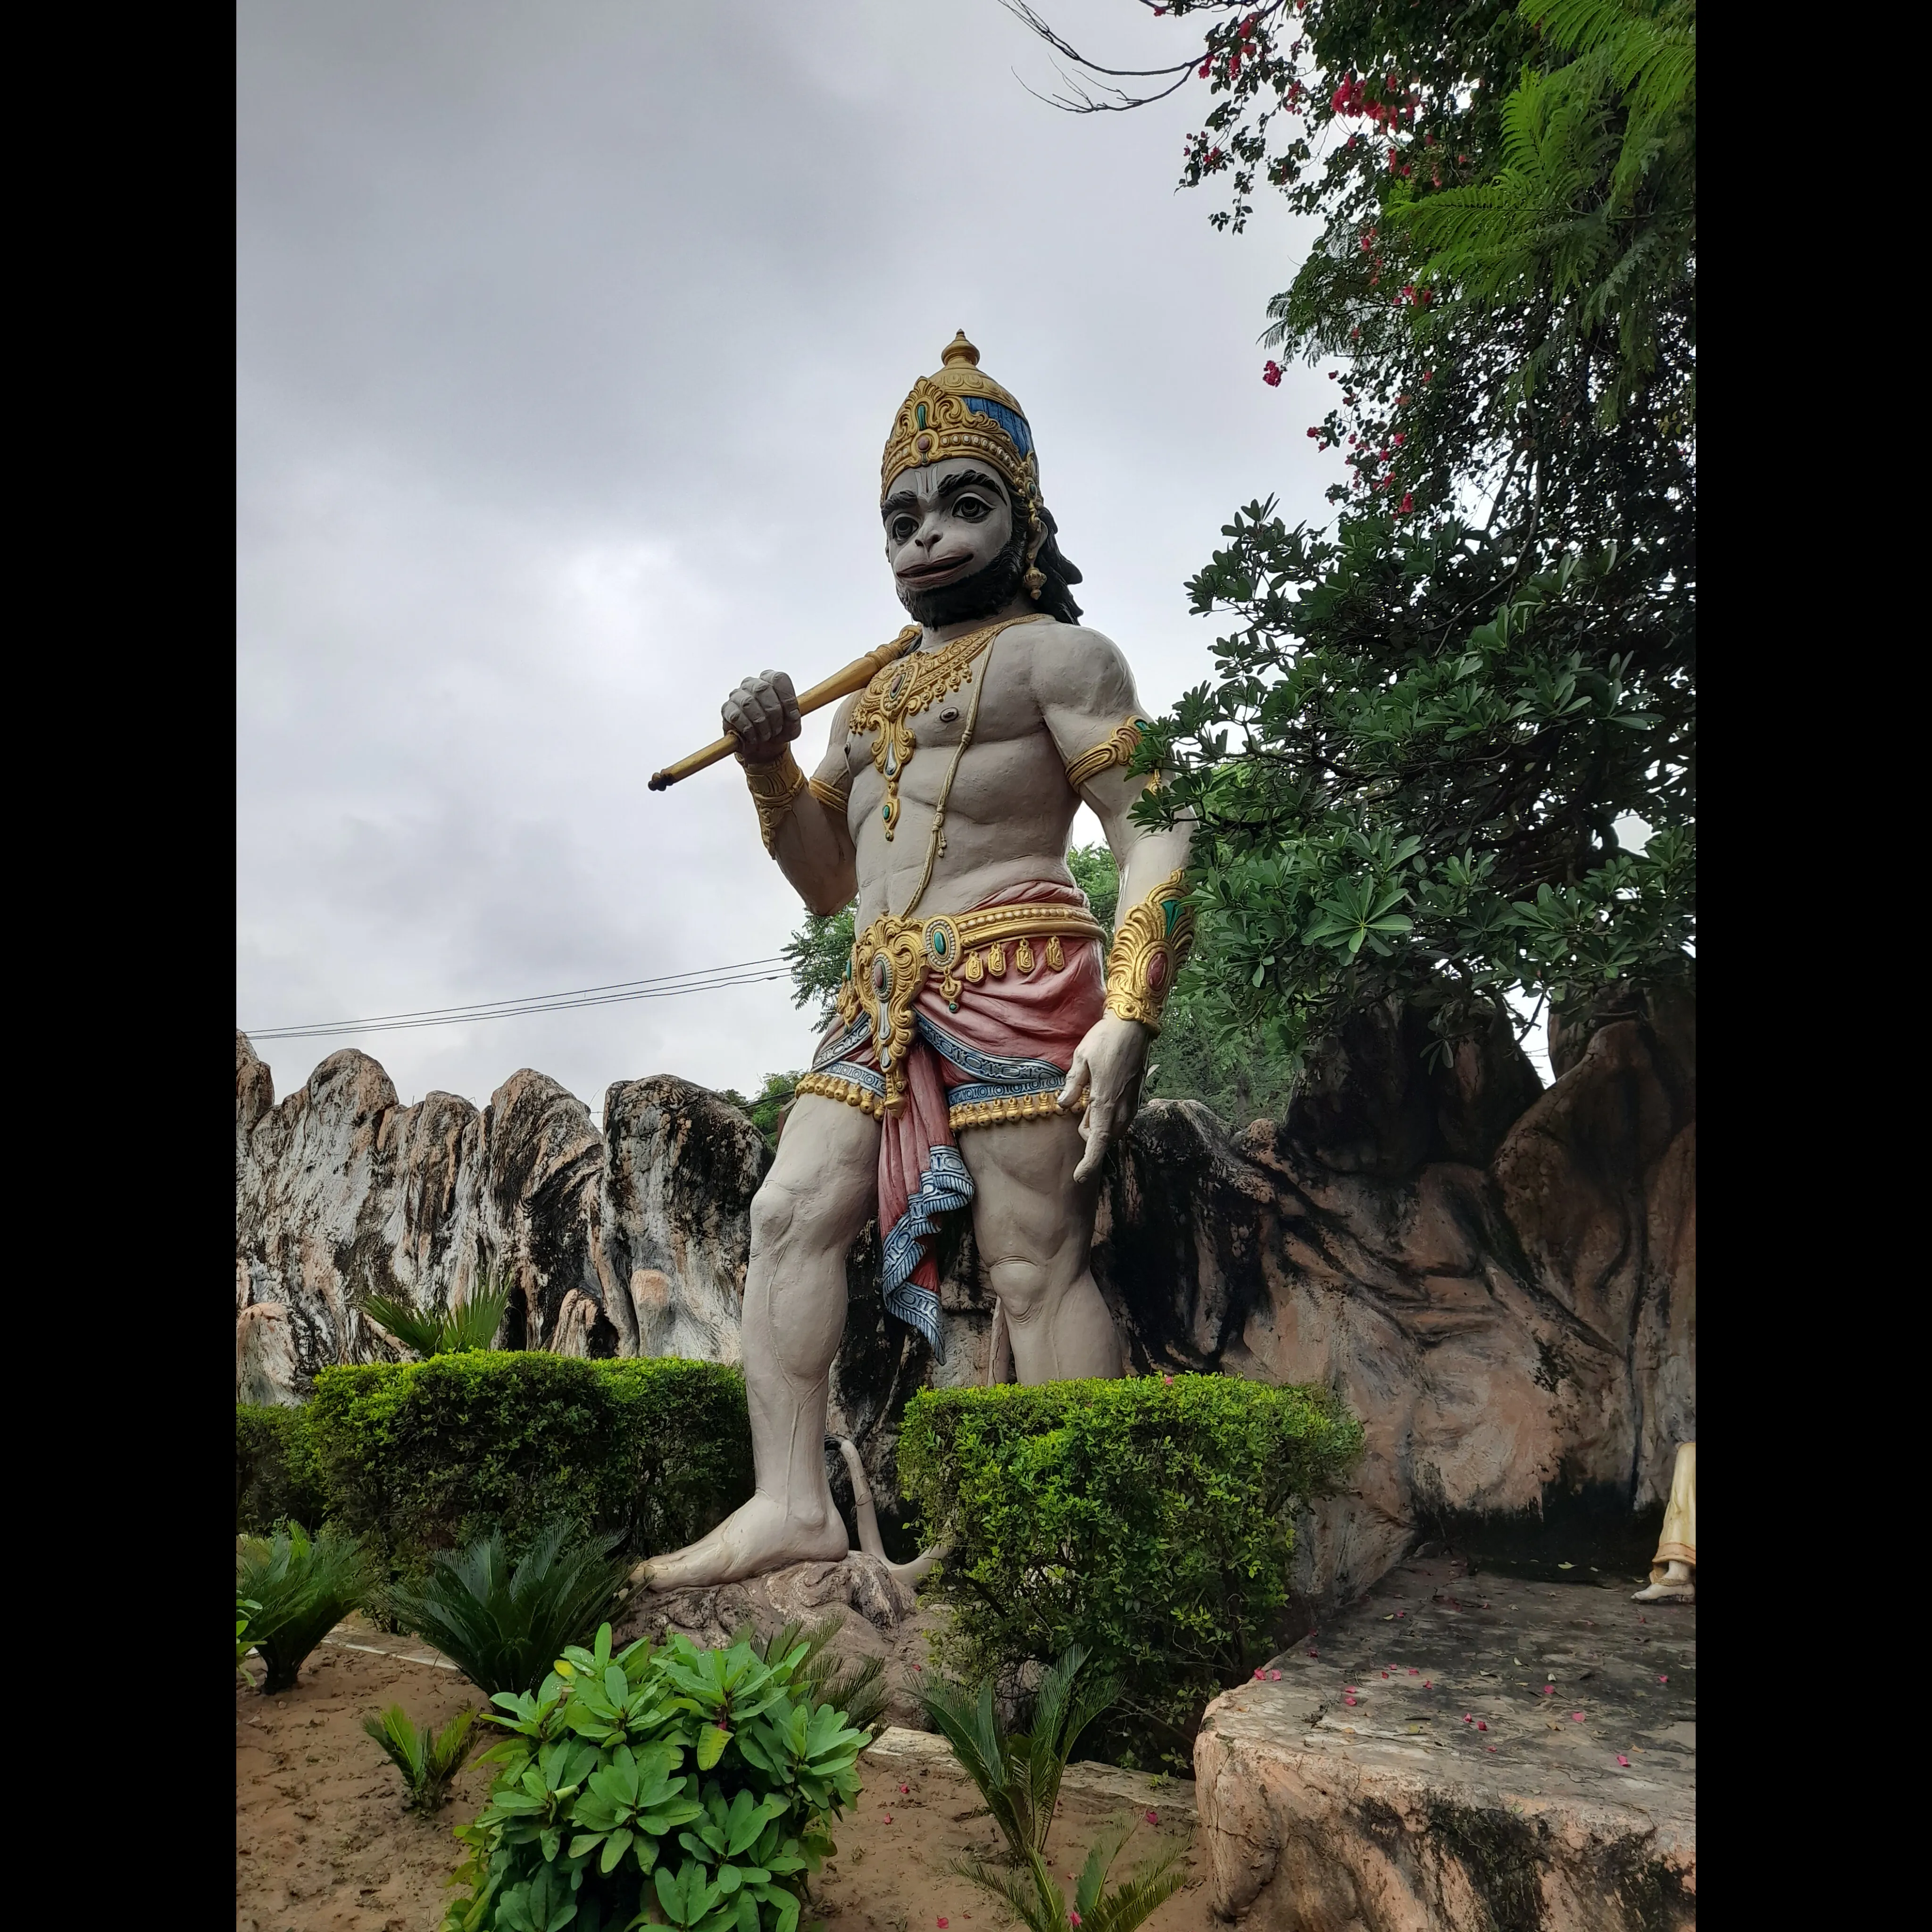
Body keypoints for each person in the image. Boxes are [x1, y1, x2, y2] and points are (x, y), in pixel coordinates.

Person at [639, 334, 1194, 1590]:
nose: (927, 534)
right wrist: (777, 762)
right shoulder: (868, 703)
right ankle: (791, 1502)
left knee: (1028, 1259)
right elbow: (829, 879)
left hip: (1019, 969)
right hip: (877, 991)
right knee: (787, 1216)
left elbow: (1160, 828)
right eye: (902, 514)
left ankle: (1074, 1541)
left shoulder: (1066, 658)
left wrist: (1132, 1011)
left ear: (1025, 516)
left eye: (964, 503)